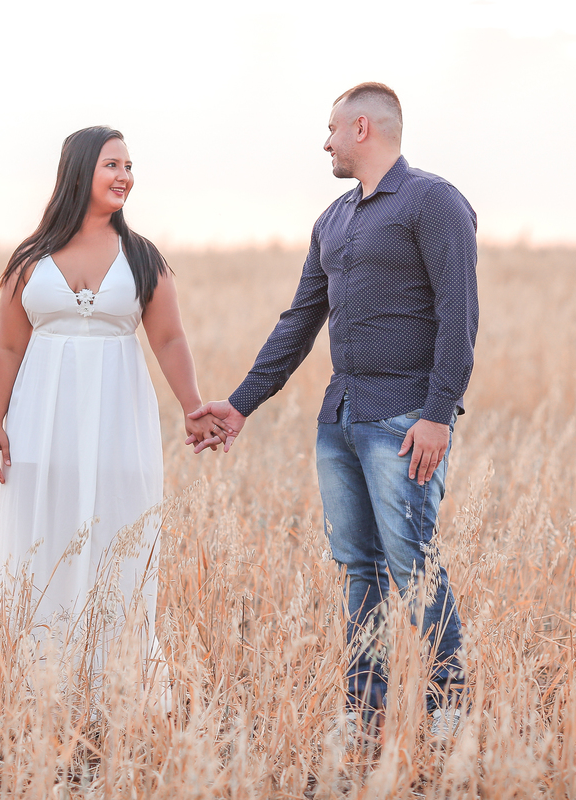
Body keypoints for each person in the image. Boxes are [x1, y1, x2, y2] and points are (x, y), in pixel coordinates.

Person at [189, 83, 479, 741]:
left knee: (412, 562)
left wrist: (439, 412)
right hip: (340, 418)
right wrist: (240, 405)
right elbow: (299, 323)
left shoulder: (433, 201)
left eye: (329, 130)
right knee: (360, 570)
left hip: (405, 418)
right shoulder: (333, 219)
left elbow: (459, 312)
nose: (323, 142)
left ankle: (449, 712)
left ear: (361, 128)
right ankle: (363, 712)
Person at [0, 126, 224, 670]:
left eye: (129, 167)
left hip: (119, 419)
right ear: (79, 172)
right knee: (44, 543)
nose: (125, 177)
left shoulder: (142, 258)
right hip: (40, 421)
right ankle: (42, 682)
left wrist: (193, 406)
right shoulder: (30, 259)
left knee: (118, 540)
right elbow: (6, 347)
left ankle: (117, 682)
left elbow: (169, 339)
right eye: (112, 166)